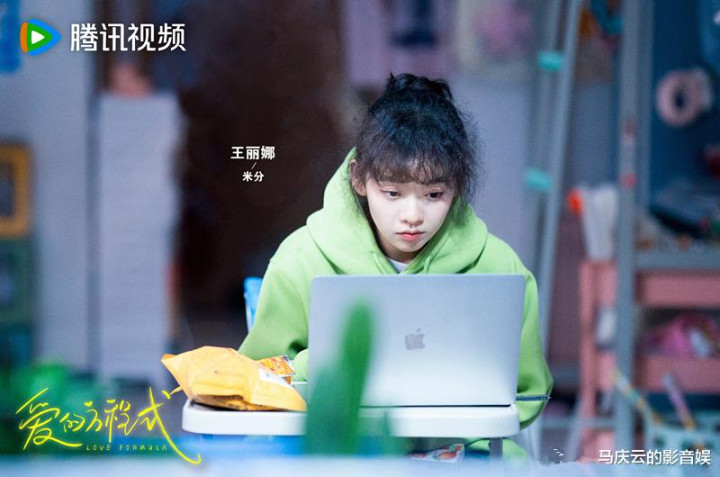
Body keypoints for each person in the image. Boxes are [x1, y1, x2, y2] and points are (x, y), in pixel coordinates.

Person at [239, 73, 553, 439]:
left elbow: (529, 392)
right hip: (341, 452)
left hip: (468, 452)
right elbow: (255, 381)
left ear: (456, 186)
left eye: (434, 195)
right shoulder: (300, 260)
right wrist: (325, 363)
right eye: (392, 193)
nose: (412, 216)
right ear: (359, 179)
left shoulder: (499, 267)